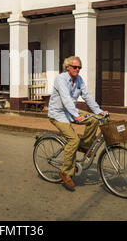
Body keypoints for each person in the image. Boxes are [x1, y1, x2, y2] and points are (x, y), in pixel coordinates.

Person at [48, 56, 108, 190]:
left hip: (71, 111)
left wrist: (100, 111)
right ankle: (65, 173)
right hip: (58, 114)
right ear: (68, 67)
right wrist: (76, 116)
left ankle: (85, 146)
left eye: (79, 68)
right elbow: (65, 99)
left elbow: (87, 96)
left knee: (93, 119)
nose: (77, 69)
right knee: (73, 139)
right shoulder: (60, 79)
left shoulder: (79, 80)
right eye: (75, 67)